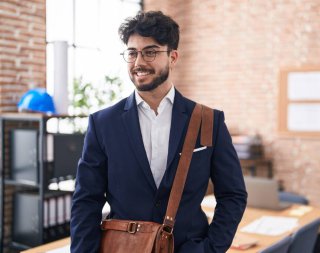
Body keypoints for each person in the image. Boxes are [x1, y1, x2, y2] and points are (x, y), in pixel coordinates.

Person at [70, 10, 247, 253]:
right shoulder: (103, 123)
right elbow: (86, 201)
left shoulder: (209, 121)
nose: (139, 62)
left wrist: (210, 249)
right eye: (132, 53)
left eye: (150, 52)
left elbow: (233, 195)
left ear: (173, 57)